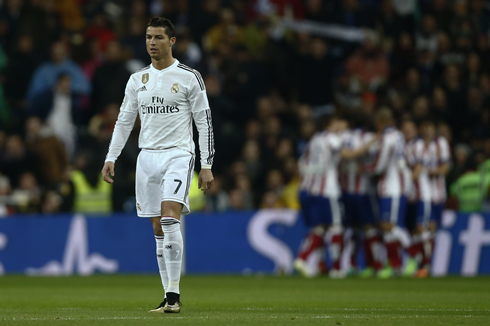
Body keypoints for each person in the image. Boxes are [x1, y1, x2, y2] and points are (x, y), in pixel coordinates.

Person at [101, 17, 215, 314]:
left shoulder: (189, 76)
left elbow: (204, 122)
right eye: (149, 37)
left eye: (159, 37)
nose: (152, 42)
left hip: (178, 153)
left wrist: (206, 164)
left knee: (168, 218)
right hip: (146, 156)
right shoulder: (137, 79)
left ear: (172, 41)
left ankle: (175, 296)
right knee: (157, 226)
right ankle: (167, 295)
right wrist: (110, 157)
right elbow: (124, 120)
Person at [364, 108, 410, 279]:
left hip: (392, 187)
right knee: (389, 230)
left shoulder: (387, 138)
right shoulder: (399, 136)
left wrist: (365, 169)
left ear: (379, 122)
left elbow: (379, 165)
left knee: (389, 226)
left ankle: (413, 254)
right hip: (399, 186)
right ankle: (395, 265)